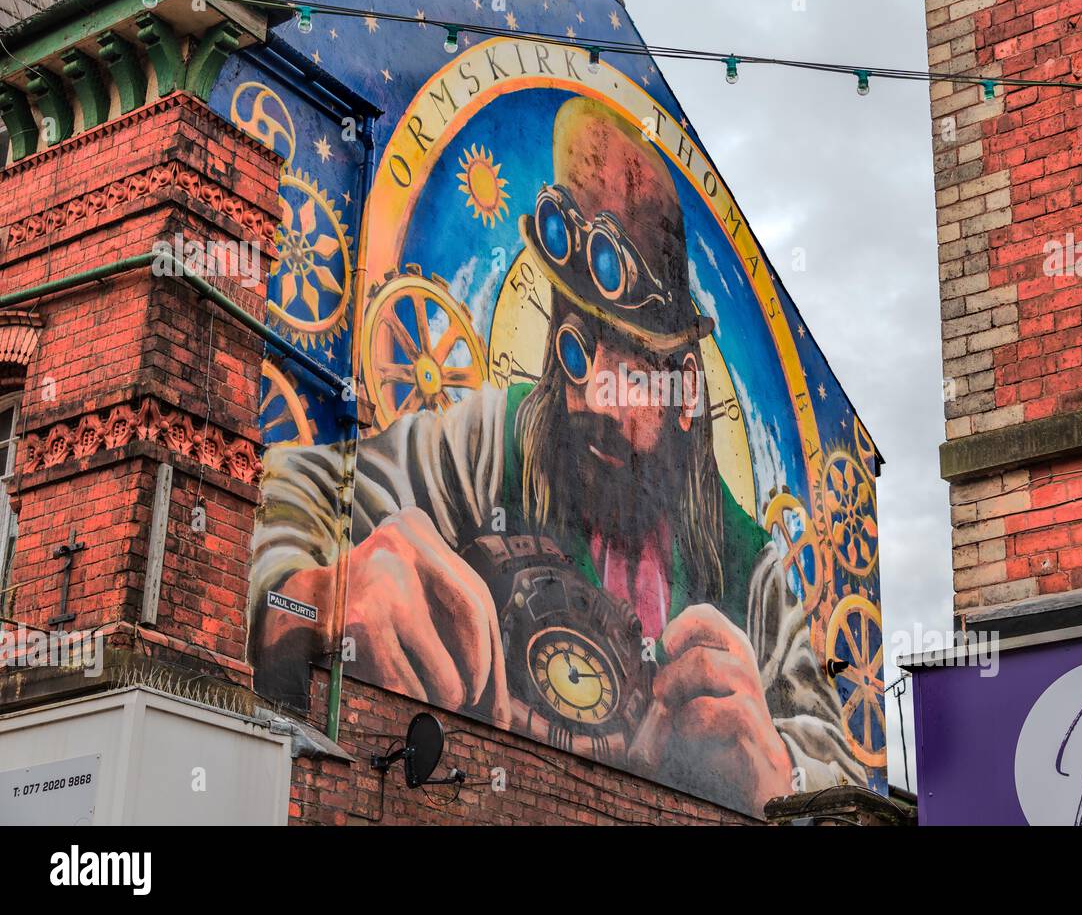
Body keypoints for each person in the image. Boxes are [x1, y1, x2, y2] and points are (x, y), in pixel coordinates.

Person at [249, 96, 867, 814]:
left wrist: (783, 773)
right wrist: (315, 600)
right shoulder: (487, 444)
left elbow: (840, 769)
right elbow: (295, 490)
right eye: (577, 352)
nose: (596, 399)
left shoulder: (752, 575)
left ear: (686, 387)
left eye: (634, 369)